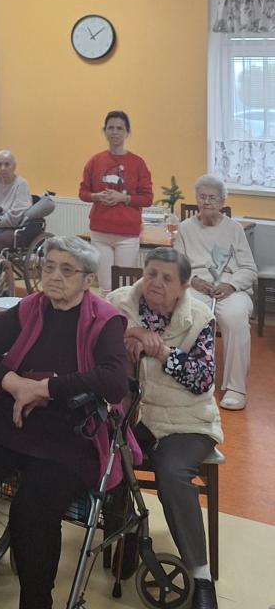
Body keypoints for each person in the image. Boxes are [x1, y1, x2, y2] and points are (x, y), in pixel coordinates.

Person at [0, 236, 129, 609]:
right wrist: (13, 383)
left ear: (88, 280)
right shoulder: (31, 306)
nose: (54, 276)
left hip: (70, 432)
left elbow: (115, 381)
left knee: (32, 511)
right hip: (12, 419)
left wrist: (47, 388)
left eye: (67, 270)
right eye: (48, 267)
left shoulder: (104, 319)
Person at [107, 248, 222, 609]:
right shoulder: (117, 304)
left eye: (167, 278)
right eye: (151, 273)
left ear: (184, 286)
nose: (155, 283)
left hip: (187, 420)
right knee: (110, 453)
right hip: (134, 414)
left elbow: (202, 380)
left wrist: (161, 352)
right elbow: (91, 351)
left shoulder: (199, 317)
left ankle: (201, 577)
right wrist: (126, 337)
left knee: (172, 472)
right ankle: (126, 537)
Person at [173, 175, 256, 410]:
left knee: (235, 317)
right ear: (196, 199)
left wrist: (232, 285)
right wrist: (193, 280)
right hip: (196, 285)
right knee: (186, 314)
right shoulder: (185, 228)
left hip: (230, 286)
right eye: (202, 197)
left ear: (222, 202)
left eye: (212, 198)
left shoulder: (234, 228)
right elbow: (176, 265)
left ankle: (235, 388)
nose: (207, 202)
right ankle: (187, 379)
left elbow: (249, 268)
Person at [79, 110, 153, 294]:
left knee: (123, 289)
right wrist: (97, 196)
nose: (114, 132)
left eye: (119, 128)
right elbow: (83, 193)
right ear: (104, 131)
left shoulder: (138, 163)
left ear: (127, 132)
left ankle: (122, 314)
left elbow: (147, 198)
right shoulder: (94, 161)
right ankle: (107, 313)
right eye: (110, 128)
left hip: (127, 234)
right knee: (105, 287)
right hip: (100, 232)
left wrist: (123, 198)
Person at [0, 150, 33, 248]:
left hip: (8, 226)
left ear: (14, 166)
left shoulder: (21, 184)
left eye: (7, 164)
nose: (3, 168)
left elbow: (17, 214)